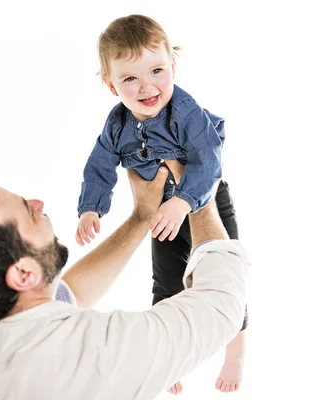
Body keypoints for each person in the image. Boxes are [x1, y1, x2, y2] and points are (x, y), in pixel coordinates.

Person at [0, 167, 249, 399]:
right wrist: (197, 196)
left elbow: (62, 297)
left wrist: (142, 217)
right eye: (27, 211)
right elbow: (220, 305)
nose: (38, 203)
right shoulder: (96, 355)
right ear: (23, 273)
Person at [75, 14, 248, 394]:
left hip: (205, 198)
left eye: (157, 70)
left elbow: (208, 162)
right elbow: (100, 163)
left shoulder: (186, 112)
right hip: (159, 211)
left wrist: (185, 200)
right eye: (130, 78)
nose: (147, 86)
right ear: (111, 84)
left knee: (223, 276)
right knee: (166, 284)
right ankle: (170, 359)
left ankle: (234, 353)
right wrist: (91, 207)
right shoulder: (117, 124)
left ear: (173, 65)